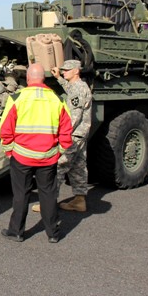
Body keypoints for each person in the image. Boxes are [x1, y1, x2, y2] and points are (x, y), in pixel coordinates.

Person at [0, 63, 73, 243]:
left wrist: (9, 151)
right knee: (48, 194)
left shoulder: (17, 98)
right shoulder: (58, 100)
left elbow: (5, 129)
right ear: (43, 79)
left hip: (22, 156)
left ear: (29, 79)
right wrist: (59, 151)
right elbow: (67, 131)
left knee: (21, 194)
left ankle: (16, 231)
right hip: (47, 157)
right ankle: (53, 233)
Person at [31, 59, 92, 213]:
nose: (64, 72)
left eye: (66, 70)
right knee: (78, 166)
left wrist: (62, 135)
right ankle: (79, 200)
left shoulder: (78, 89)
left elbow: (74, 116)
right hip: (80, 134)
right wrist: (59, 78)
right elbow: (70, 90)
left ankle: (48, 203)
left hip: (72, 134)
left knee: (58, 166)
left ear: (76, 71)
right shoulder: (78, 86)